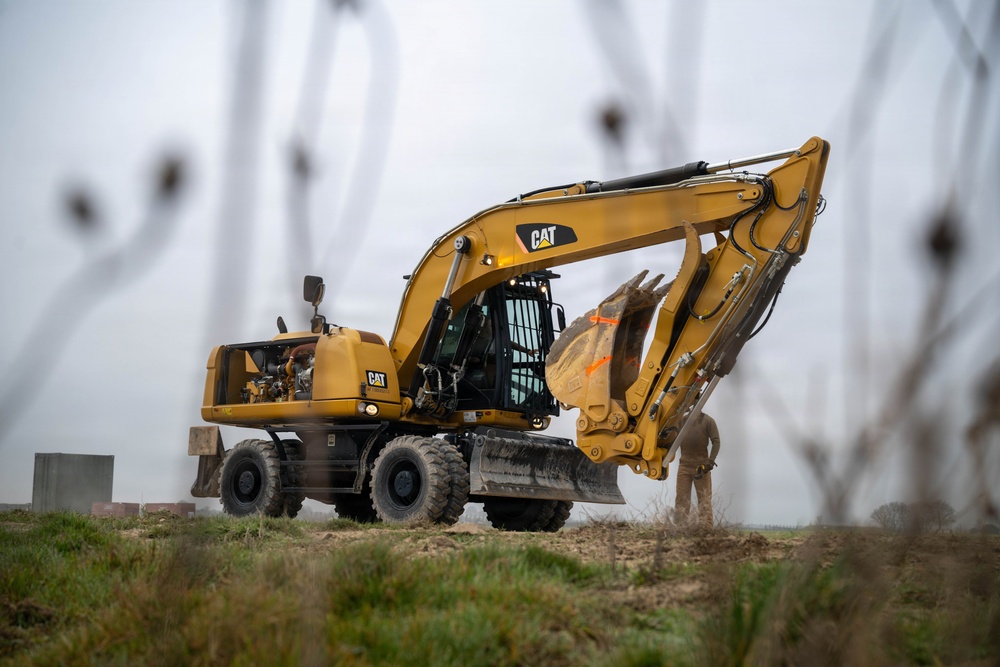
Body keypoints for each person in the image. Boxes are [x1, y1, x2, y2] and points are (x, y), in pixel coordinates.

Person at [674, 411, 721, 528]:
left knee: (704, 501)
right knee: (681, 500)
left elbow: (716, 441)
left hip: (701, 467)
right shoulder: (682, 421)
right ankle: (680, 529)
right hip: (684, 465)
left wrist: (710, 461)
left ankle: (706, 530)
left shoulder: (708, 421)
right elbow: (671, 438)